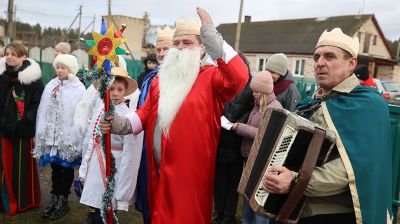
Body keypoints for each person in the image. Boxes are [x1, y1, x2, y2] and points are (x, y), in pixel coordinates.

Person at [100, 7, 249, 223]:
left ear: (202, 48)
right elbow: (143, 115)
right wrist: (118, 123)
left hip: (190, 177)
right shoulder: (160, 81)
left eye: (187, 43)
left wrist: (211, 35)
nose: (179, 48)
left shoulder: (211, 79)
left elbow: (239, 77)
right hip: (158, 172)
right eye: (176, 43)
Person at [262, 28, 392, 224]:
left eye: (329, 56)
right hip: (296, 207)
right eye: (316, 57)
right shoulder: (311, 103)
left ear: (351, 64)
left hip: (334, 214)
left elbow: (354, 167)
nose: (319, 63)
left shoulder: (368, 104)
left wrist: (296, 181)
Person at [79, 67, 142, 224]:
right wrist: (85, 165)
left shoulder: (127, 115)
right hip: (96, 163)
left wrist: (124, 190)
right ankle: (94, 216)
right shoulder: (101, 109)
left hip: (114, 166)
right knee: (95, 201)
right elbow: (92, 139)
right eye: (111, 88)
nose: (114, 93)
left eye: (119, 89)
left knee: (107, 206)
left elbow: (130, 153)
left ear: (125, 91)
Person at [33, 54, 85, 219]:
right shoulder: (51, 85)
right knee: (55, 168)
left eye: (63, 67)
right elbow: (43, 110)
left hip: (68, 137)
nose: (60, 70)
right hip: (52, 137)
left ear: (70, 69)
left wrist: (75, 134)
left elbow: (80, 114)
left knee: (66, 168)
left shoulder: (78, 88)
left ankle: (63, 200)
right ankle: (54, 198)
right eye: (58, 67)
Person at [135, 25, 174, 224]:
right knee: (147, 185)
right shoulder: (150, 77)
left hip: (167, 145)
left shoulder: (178, 78)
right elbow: (142, 109)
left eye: (166, 49)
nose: (161, 53)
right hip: (145, 140)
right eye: (158, 49)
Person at [231, 70, 281, 224]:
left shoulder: (274, 108)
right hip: (251, 158)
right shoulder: (258, 105)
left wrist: (239, 127)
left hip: (262, 163)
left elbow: (265, 134)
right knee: (248, 195)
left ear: (264, 91)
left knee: (258, 199)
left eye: (256, 91)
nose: (253, 94)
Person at [0, 42, 43, 215]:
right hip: (3, 129)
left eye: (14, 54)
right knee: (4, 164)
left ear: (23, 57)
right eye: (7, 53)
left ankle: (25, 201)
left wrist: (25, 122)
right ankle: (5, 200)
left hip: (23, 130)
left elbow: (38, 104)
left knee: (21, 167)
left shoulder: (33, 80)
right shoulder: (2, 75)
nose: (9, 57)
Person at [212, 52, 254, 224]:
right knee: (219, 179)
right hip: (221, 137)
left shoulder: (251, 86)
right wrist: (221, 118)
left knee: (233, 180)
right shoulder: (223, 81)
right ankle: (218, 212)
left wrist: (237, 124)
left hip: (237, 138)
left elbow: (251, 111)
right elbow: (216, 103)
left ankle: (229, 214)